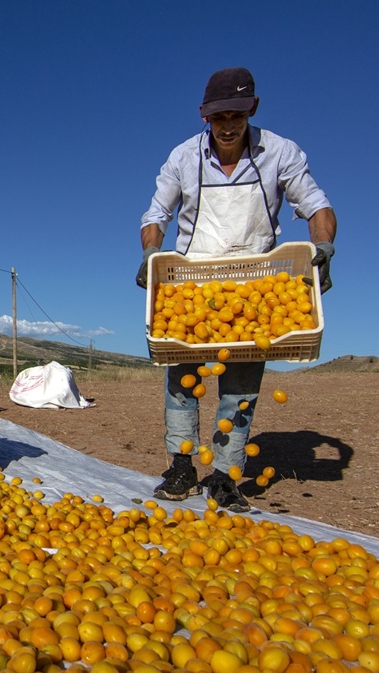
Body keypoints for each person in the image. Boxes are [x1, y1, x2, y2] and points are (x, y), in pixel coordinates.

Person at [136, 67, 337, 512]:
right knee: (182, 378)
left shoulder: (279, 152)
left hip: (254, 284)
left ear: (253, 110)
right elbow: (156, 215)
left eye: (236, 115)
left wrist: (324, 245)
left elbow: (316, 205)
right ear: (204, 116)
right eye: (218, 117)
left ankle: (226, 475)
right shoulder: (183, 157)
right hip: (191, 281)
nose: (227, 126)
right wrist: (152, 253)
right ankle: (182, 465)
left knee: (240, 383)